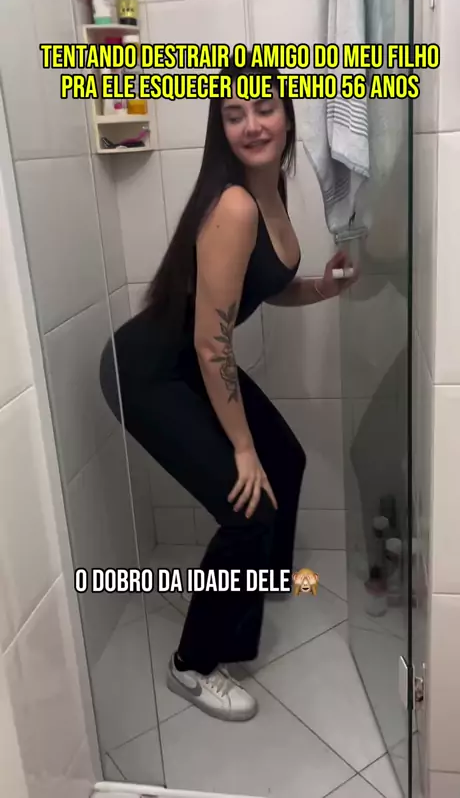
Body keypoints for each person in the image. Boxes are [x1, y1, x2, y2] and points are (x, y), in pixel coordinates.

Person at [100, 52, 357, 723]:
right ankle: (191, 665)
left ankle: (258, 581)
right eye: (234, 115)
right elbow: (214, 343)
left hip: (190, 360)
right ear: (221, 128)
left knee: (286, 462)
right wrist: (242, 450)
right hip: (148, 372)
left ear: (287, 115)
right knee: (247, 507)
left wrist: (321, 288)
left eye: (263, 108)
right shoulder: (236, 204)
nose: (251, 125)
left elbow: (259, 291)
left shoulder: (269, 190)